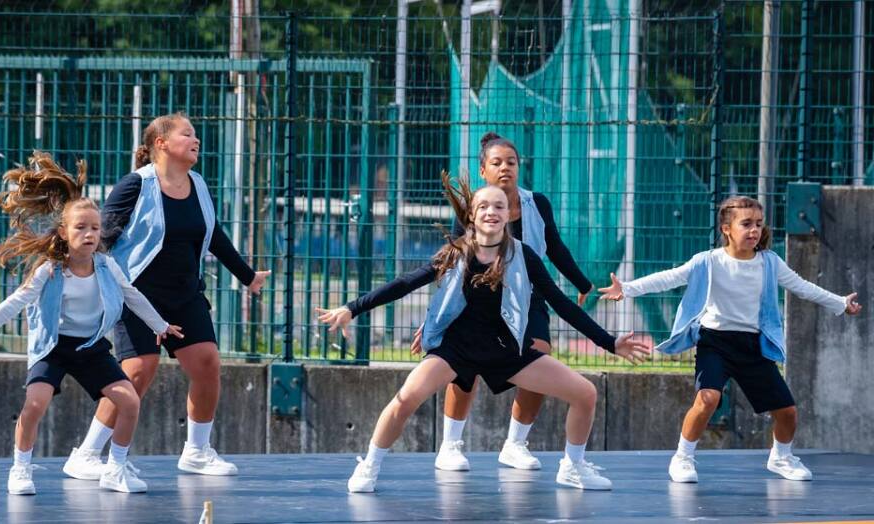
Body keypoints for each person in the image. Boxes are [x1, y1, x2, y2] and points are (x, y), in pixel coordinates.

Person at [316, 173, 652, 493]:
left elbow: (561, 304)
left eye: (499, 206)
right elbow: (405, 283)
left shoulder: (523, 255)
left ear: (508, 215)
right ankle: (370, 465)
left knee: (585, 393)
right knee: (405, 399)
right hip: (455, 350)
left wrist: (610, 342)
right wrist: (352, 308)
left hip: (506, 350)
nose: (492, 211)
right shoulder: (455, 253)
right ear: (472, 216)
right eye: (483, 206)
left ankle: (573, 467)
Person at [0, 153, 182, 495]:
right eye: (81, 228)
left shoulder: (107, 266)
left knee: (129, 401)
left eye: (94, 228)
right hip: (53, 347)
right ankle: (21, 469)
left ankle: (115, 469)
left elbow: (132, 295)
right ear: (64, 233)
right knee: (35, 404)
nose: (89, 234)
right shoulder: (50, 270)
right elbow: (14, 303)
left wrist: (160, 325)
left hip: (90, 348)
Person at [63, 113, 270, 479]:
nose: (196, 140)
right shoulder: (135, 185)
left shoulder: (198, 185)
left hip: (185, 294)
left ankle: (197, 452)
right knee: (138, 371)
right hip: (137, 294)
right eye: (186, 134)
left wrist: (247, 276)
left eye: (195, 134)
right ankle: (87, 453)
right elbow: (102, 235)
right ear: (161, 143)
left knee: (207, 363)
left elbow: (213, 233)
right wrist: (81, 274)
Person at [598, 195, 862, 483]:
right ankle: (683, 458)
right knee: (708, 398)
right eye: (746, 224)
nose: (754, 230)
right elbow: (669, 277)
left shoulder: (770, 263)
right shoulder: (708, 262)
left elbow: (802, 287)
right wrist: (627, 288)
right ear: (726, 229)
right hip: (715, 343)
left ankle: (782, 458)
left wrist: (840, 303)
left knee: (787, 412)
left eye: (758, 224)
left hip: (753, 346)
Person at [429, 131, 596, 472]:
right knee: (465, 364)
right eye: (497, 163)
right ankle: (450, 445)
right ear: (483, 171)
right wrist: (437, 317)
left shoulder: (537, 204)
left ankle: (515, 444)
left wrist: (583, 283)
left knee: (541, 355)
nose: (505, 167)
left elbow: (555, 246)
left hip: (527, 296)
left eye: (511, 162)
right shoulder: (472, 207)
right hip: (477, 297)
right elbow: (452, 261)